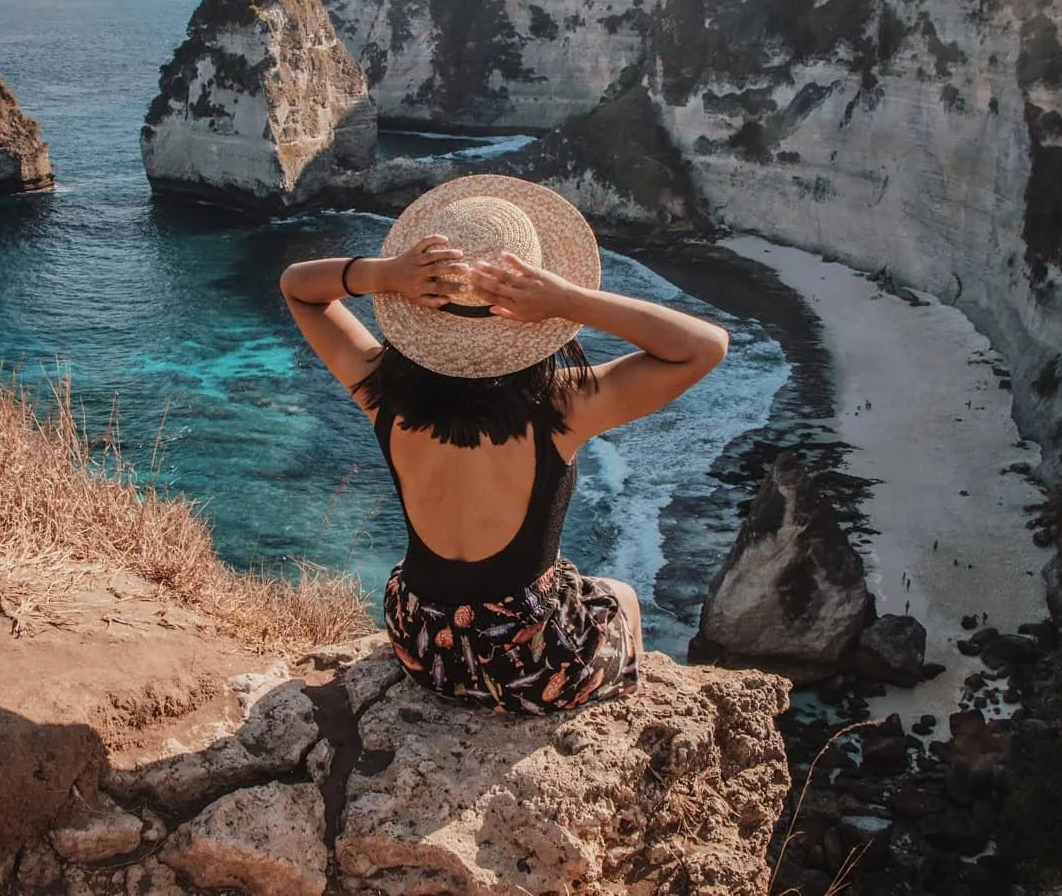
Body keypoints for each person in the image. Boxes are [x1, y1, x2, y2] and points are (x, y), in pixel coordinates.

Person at [280, 175, 728, 713]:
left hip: (422, 644)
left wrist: (387, 276)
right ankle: (618, 710)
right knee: (622, 596)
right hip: (533, 665)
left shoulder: (380, 392)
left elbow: (298, 287)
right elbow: (704, 346)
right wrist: (570, 301)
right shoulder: (564, 407)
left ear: (418, 311)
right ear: (530, 323)